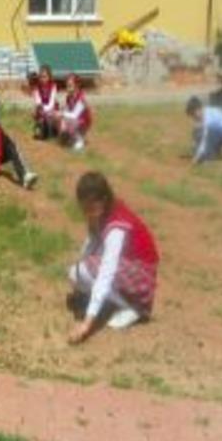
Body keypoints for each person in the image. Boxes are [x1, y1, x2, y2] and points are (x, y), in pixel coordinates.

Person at [67, 172, 159, 345]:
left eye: (91, 208)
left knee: (86, 271)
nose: (88, 214)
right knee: (76, 273)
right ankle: (115, 302)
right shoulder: (102, 213)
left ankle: (135, 307)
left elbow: (106, 273)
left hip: (141, 273)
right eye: (85, 209)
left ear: (103, 200)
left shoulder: (117, 226)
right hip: (126, 266)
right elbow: (92, 244)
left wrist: (86, 324)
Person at [186, 96, 222, 164]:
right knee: (199, 130)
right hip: (218, 133)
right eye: (191, 115)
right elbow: (196, 134)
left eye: (193, 113)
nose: (193, 117)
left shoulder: (208, 116)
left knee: (210, 130)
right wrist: (195, 148)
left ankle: (208, 158)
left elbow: (205, 138)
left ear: (199, 109)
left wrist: (197, 157)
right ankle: (216, 152)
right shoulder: (201, 116)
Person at [59, 74, 92, 152]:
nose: (67, 88)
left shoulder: (81, 98)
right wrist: (62, 110)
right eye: (66, 86)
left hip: (84, 122)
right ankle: (72, 137)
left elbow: (74, 115)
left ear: (77, 85)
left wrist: (62, 113)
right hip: (77, 120)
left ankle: (80, 140)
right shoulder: (69, 97)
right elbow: (67, 111)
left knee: (69, 119)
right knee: (64, 120)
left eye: (70, 86)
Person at [32, 65, 59, 140]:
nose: (43, 79)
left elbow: (52, 102)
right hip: (41, 109)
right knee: (35, 112)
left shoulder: (53, 86)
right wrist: (42, 110)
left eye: (45, 76)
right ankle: (40, 129)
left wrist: (47, 110)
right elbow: (38, 101)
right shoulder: (36, 87)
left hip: (51, 108)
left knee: (54, 115)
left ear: (49, 77)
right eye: (41, 77)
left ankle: (53, 130)